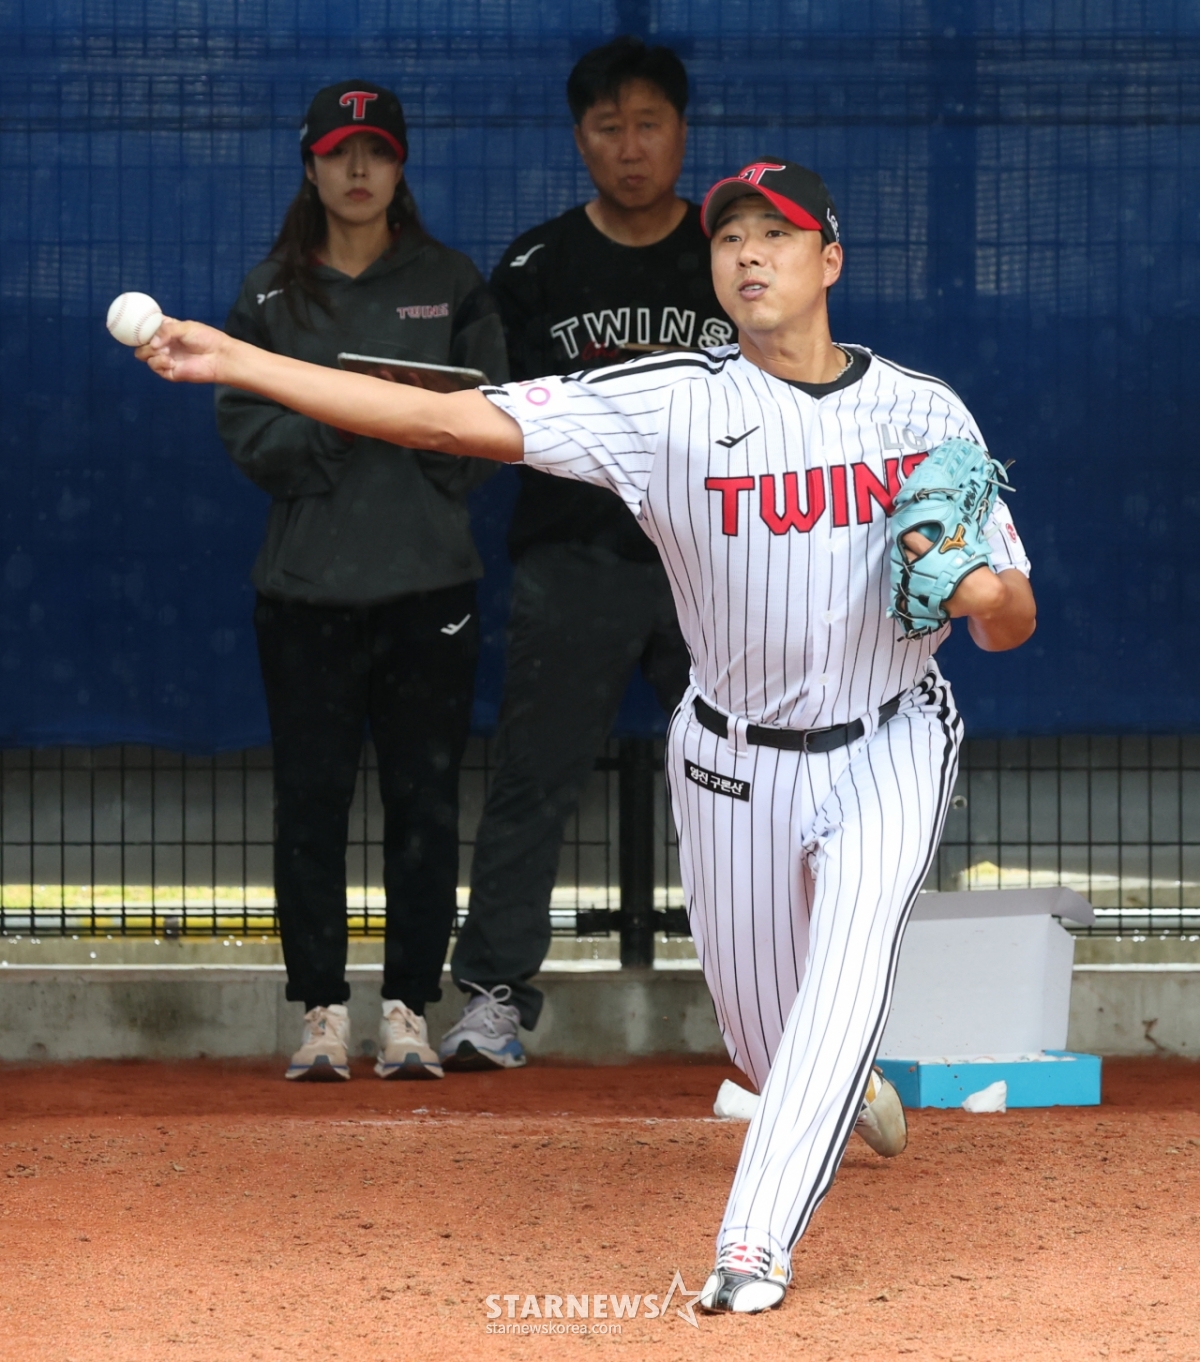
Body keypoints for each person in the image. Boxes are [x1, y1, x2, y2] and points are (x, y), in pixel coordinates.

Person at [136, 156, 1036, 1312]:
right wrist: (239, 360)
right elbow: (446, 417)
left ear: (831, 261)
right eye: (730, 238)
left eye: (776, 235)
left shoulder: (924, 413)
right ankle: (829, 1079)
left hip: (891, 738)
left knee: (848, 968)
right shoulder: (667, 403)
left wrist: (977, 590)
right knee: (766, 1041)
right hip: (731, 758)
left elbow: (1011, 621)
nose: (749, 254)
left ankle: (753, 1246)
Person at [438, 36, 733, 1071]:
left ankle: (792, 1004)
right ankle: (492, 998)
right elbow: (496, 416)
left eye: (649, 124)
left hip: (714, 562)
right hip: (573, 561)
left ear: (682, 133)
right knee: (533, 776)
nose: (631, 146)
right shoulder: (535, 267)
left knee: (754, 781)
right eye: (610, 128)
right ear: (580, 140)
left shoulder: (731, 254)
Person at [214, 80, 507, 1083]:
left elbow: (494, 418)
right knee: (310, 806)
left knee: (426, 809)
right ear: (310, 166)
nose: (357, 168)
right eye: (339, 151)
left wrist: (423, 440)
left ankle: (410, 1011)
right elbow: (244, 426)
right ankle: (321, 1014)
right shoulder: (268, 293)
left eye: (375, 150)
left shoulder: (451, 282)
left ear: (399, 165)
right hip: (304, 595)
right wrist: (342, 422)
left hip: (431, 590)